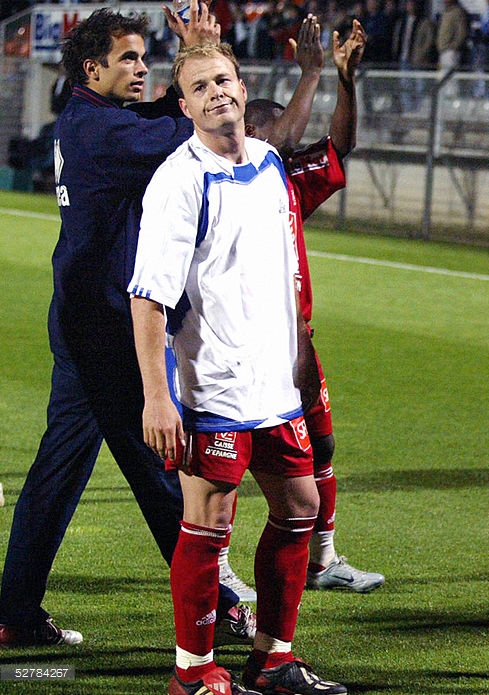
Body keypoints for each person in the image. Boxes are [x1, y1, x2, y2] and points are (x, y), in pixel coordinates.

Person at [0, 0, 254, 650]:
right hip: (108, 328)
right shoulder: (99, 129)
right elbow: (190, 130)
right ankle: (219, 608)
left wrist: (191, 50)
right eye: (129, 59)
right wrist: (203, 60)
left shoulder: (90, 120)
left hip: (89, 319)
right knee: (161, 464)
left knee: (60, 473)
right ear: (92, 70)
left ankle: (16, 611)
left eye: (146, 57)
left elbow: (167, 113)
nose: (141, 68)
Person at [129, 40, 347, 695]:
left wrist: (301, 356)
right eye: (201, 87)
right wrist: (157, 398)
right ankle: (193, 672)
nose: (217, 92)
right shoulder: (178, 180)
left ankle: (273, 657)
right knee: (208, 520)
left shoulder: (270, 163)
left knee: (301, 505)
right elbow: (148, 296)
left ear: (244, 86)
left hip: (274, 385)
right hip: (213, 388)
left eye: (224, 79)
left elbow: (282, 270)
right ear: (185, 104)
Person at [239, 17, 385, 595]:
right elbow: (275, 143)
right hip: (236, 344)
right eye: (278, 127)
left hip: (297, 340)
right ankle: (223, 572)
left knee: (320, 443)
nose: (289, 138)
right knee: (226, 465)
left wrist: (344, 81)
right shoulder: (239, 169)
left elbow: (339, 146)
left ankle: (324, 559)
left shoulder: (288, 178)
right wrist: (314, 71)